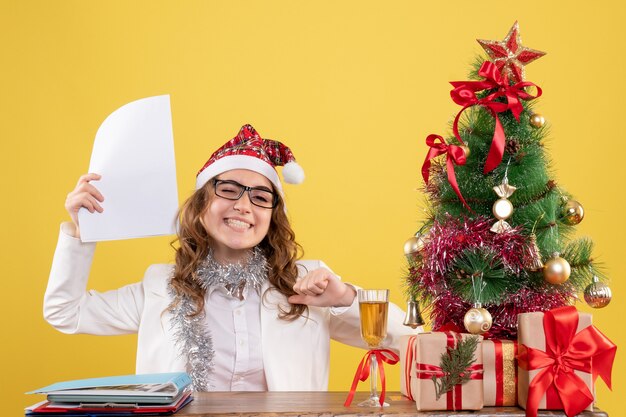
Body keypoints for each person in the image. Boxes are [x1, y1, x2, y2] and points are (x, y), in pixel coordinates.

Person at [44, 124, 417, 392]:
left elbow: (410, 340)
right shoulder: (160, 286)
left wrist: (345, 299)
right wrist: (81, 233)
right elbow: (65, 311)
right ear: (202, 203)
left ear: (272, 216)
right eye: (229, 189)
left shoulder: (306, 283)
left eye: (259, 196)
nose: (242, 205)